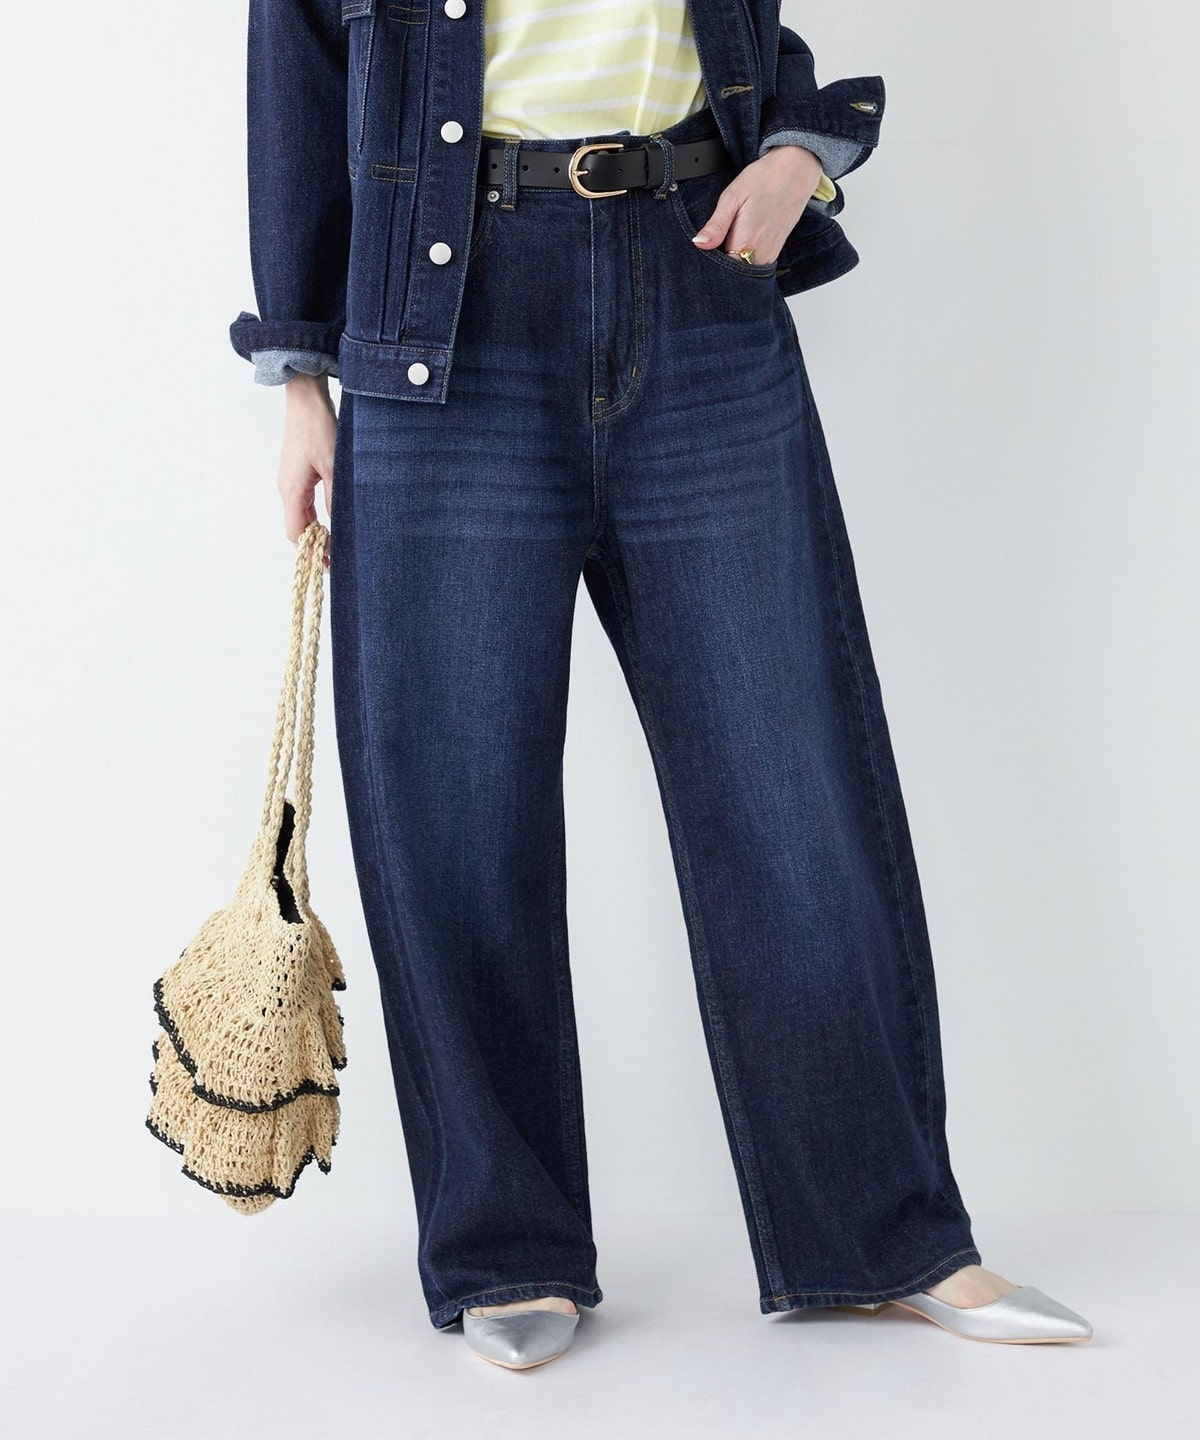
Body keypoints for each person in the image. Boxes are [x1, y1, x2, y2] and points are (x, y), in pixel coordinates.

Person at [229, 0, 1093, 1369]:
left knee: (790, 785)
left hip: (701, 282)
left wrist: (800, 152)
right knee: (458, 812)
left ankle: (885, 1233)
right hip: (443, 320)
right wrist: (300, 379)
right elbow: (300, 70)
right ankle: (506, 1247)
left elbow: (748, 31)